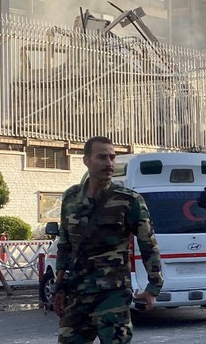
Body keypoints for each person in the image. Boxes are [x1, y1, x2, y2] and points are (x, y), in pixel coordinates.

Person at [53, 136, 164, 343]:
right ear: (86, 160)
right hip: (77, 295)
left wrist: (153, 287)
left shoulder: (128, 200)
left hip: (112, 295)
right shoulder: (71, 198)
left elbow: (148, 244)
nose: (109, 163)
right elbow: (65, 245)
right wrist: (59, 287)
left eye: (112, 157)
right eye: (102, 157)